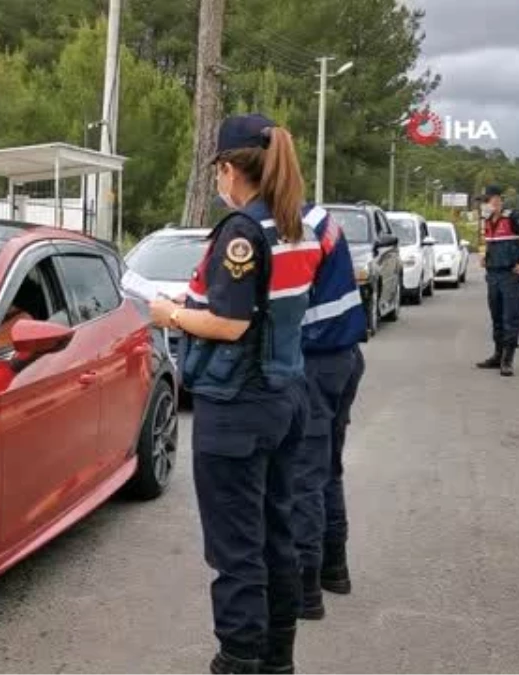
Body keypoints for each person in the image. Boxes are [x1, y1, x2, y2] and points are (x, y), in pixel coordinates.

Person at [149, 113, 321, 675]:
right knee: (277, 536)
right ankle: (277, 661)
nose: (219, 181)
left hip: (240, 408)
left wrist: (169, 312)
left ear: (228, 168)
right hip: (286, 395)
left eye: (218, 171)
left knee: (236, 552)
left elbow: (230, 325)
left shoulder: (242, 232)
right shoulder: (299, 225)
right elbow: (270, 306)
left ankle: (239, 661)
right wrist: (198, 300)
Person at [293, 203, 367, 621]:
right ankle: (334, 569)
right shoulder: (318, 217)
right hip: (342, 357)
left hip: (315, 362)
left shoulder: (294, 226)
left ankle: (306, 590)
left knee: (305, 476)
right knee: (326, 470)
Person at [475, 185, 519, 377]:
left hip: (510, 275)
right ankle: (497, 354)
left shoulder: (513, 218)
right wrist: (485, 256)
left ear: (497, 200)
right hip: (493, 275)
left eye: (486, 200)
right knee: (497, 317)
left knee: (511, 317)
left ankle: (508, 360)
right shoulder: (487, 221)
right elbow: (487, 243)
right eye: (482, 201)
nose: (484, 205)